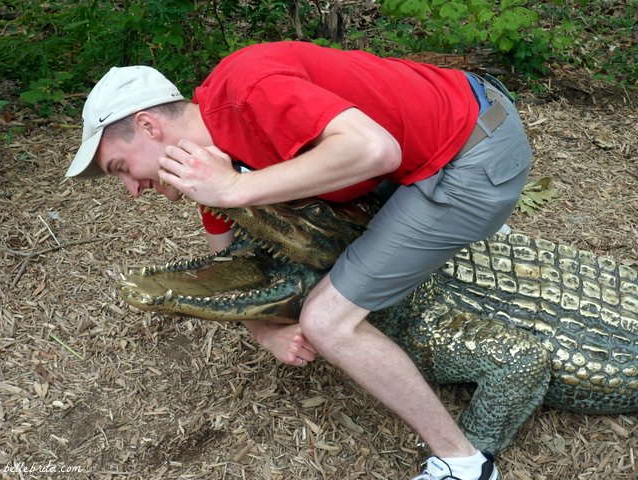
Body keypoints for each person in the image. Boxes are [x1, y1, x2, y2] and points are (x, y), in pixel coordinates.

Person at [66, 41, 532, 480]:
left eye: (121, 168)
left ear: (149, 127)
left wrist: (234, 189)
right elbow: (228, 260)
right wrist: (265, 331)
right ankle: (450, 226)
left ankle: (464, 464)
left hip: (472, 152)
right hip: (446, 127)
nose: (131, 189)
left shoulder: (246, 89)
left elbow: (375, 149)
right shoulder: (215, 159)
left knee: (329, 321)